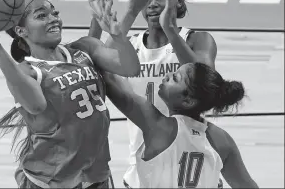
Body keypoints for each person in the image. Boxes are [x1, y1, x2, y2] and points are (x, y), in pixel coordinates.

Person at [0, 0, 140, 188]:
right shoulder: (28, 71)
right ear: (21, 30)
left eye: (54, 13)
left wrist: (116, 33)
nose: (54, 19)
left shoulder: (84, 48)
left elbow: (130, 68)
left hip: (95, 175)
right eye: (42, 16)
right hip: (50, 181)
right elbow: (36, 106)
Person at [91, 0, 218, 188]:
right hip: (144, 159)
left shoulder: (197, 39)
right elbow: (100, 63)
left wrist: (170, 29)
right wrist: (129, 10)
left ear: (177, 2)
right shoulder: (130, 45)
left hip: (191, 158)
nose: (152, 3)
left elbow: (205, 81)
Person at [103, 62, 259, 188]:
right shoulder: (223, 140)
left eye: (175, 78)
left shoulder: (159, 127)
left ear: (188, 101)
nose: (167, 75)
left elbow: (109, 78)